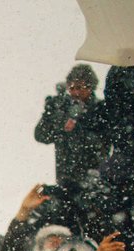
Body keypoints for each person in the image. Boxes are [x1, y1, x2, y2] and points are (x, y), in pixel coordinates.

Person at [35, 63, 107, 210]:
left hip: (94, 181)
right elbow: (41, 136)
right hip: (65, 182)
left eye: (79, 87)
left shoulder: (100, 109)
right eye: (72, 88)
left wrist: (80, 123)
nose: (75, 93)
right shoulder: (64, 110)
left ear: (90, 87)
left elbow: (101, 140)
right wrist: (49, 115)